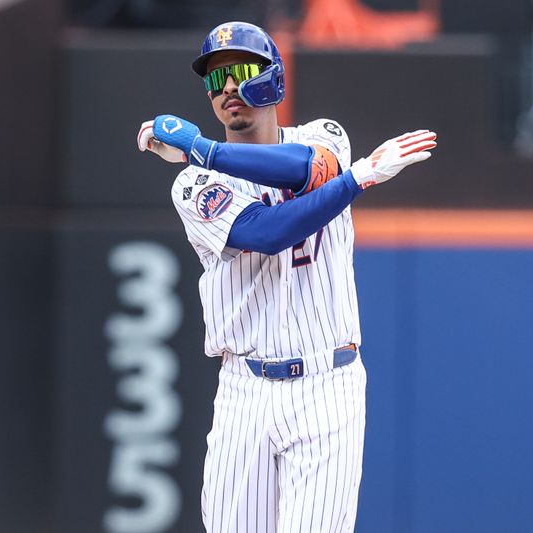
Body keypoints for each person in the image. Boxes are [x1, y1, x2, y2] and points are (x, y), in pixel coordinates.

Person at [137, 21, 436, 533]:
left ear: (273, 77)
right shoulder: (193, 183)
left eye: (243, 71)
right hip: (244, 389)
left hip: (326, 383)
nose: (228, 88)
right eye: (216, 79)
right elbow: (267, 231)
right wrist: (360, 177)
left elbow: (304, 169)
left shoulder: (324, 136)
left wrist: (200, 145)